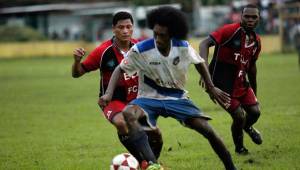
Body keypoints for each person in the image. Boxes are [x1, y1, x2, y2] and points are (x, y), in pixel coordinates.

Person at [100, 6, 236, 170]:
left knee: (208, 130)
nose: (157, 38)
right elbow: (120, 69)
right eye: (155, 33)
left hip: (177, 98)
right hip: (148, 98)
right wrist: (108, 94)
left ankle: (231, 167)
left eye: (162, 35)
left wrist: (211, 87)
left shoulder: (183, 47)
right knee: (129, 113)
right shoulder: (141, 49)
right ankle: (152, 165)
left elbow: (199, 63)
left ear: (173, 34)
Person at [71, 11, 163, 163]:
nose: (125, 31)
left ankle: (151, 163)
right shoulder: (103, 51)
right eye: (121, 27)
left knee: (156, 135)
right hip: (113, 100)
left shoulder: (140, 47)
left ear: (133, 28)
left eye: (128, 27)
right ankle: (146, 163)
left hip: (138, 101)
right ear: (113, 29)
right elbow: (78, 73)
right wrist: (76, 61)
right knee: (121, 122)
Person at [199, 4, 263, 155]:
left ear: (259, 19)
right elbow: (204, 44)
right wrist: (204, 72)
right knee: (239, 115)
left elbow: (252, 68)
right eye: (247, 16)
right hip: (221, 86)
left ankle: (248, 127)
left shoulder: (256, 41)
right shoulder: (229, 31)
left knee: (255, 112)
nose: (250, 20)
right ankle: (240, 149)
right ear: (241, 17)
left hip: (241, 84)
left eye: (254, 17)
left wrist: (254, 92)